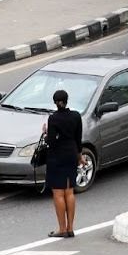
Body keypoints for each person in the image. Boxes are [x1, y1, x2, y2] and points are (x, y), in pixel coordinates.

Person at [44, 88, 84, 238]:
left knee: (58, 193)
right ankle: (70, 228)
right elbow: (78, 139)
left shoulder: (53, 118)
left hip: (57, 158)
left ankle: (62, 229)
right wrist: (80, 156)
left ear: (55, 103)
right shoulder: (76, 116)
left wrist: (46, 134)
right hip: (71, 154)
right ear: (67, 100)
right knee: (69, 191)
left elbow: (52, 142)